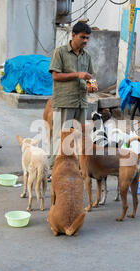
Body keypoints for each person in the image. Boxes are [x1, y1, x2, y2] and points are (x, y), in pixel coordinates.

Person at [48, 21, 97, 172]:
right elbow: (55, 76)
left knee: (79, 137)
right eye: (83, 37)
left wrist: (92, 86)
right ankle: (54, 169)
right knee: (60, 137)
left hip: (81, 102)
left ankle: (74, 167)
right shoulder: (60, 52)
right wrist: (77, 74)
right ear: (73, 35)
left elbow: (90, 77)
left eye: (87, 38)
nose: (85, 41)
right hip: (64, 101)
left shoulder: (86, 56)